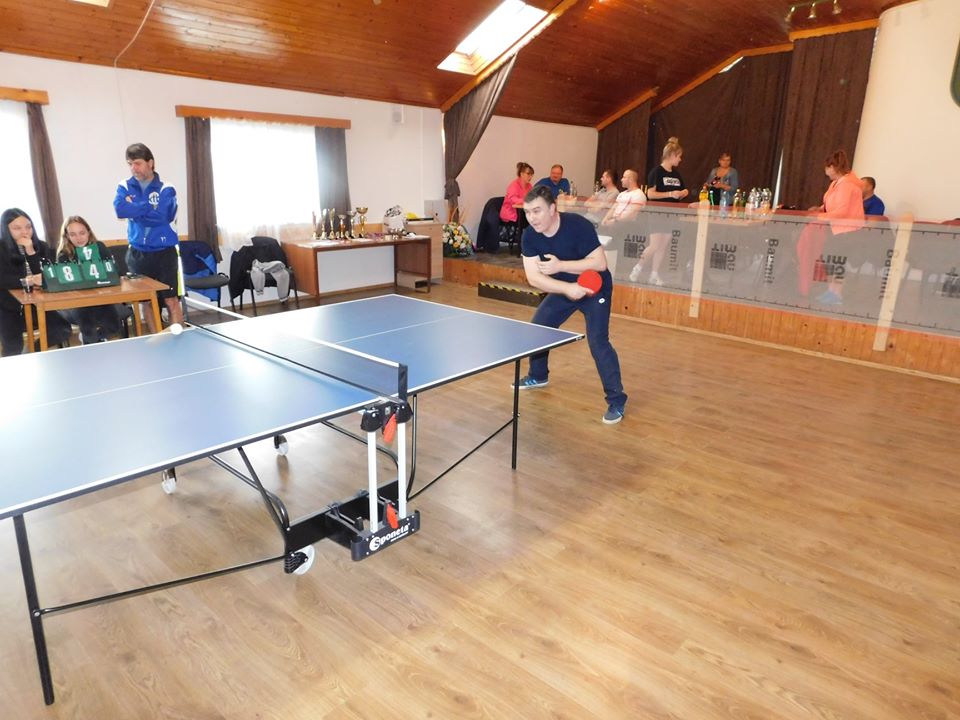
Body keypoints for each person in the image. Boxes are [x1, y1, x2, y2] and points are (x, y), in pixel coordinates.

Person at [516, 185, 628, 424]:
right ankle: (538, 375)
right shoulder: (530, 236)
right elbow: (534, 278)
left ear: (552, 209)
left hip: (594, 287)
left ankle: (616, 400)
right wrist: (567, 288)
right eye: (527, 212)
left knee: (598, 341)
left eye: (537, 211)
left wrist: (561, 266)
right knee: (538, 329)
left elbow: (599, 263)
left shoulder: (578, 226)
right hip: (565, 287)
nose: (532, 218)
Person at [113, 142, 183, 331]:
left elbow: (163, 216)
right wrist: (148, 207)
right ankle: (158, 339)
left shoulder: (166, 187)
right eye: (130, 164)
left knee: (171, 300)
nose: (133, 168)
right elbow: (120, 210)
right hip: (138, 254)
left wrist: (134, 209)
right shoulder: (124, 186)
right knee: (147, 301)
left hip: (164, 253)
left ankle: (179, 339)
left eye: (137, 163)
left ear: (150, 163)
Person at [796, 149, 865, 304]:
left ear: (833, 167)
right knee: (831, 260)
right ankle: (831, 291)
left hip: (846, 230)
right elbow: (830, 203)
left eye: (827, 167)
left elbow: (842, 210)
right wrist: (820, 209)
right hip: (835, 228)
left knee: (838, 262)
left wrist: (819, 216)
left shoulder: (847, 184)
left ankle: (837, 294)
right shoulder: (836, 184)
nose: (826, 171)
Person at [0, 208, 72, 356]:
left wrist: (31, 251)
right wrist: (29, 281)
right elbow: (4, 279)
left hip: (37, 303)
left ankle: (31, 354)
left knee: (61, 330)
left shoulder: (42, 246)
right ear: (6, 229)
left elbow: (48, 275)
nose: (24, 232)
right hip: (7, 305)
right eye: (17, 228)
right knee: (13, 345)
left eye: (28, 227)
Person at [629, 136, 689, 285]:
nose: (680, 160)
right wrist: (670, 194)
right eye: (679, 156)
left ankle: (654, 274)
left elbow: (684, 189)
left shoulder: (676, 174)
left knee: (663, 246)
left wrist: (683, 192)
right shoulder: (656, 172)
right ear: (672, 155)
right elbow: (650, 194)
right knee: (654, 245)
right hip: (658, 213)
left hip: (671, 214)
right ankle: (638, 267)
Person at [56, 215, 124, 343]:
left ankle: (97, 339)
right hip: (79, 301)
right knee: (88, 328)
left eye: (82, 233)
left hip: (101, 298)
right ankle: (90, 343)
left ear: (88, 232)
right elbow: (65, 282)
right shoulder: (64, 254)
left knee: (114, 327)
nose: (79, 238)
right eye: (73, 234)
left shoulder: (99, 247)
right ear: (67, 236)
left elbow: (116, 272)